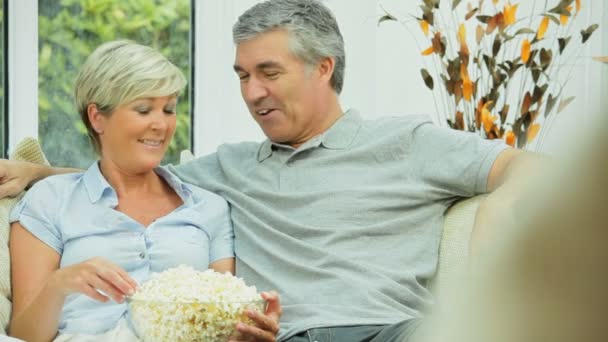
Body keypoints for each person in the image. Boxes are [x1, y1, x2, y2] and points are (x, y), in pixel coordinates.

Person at [0, 1, 543, 341]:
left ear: (323, 68)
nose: (252, 92)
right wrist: (35, 174)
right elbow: (129, 173)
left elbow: (535, 170)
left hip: (393, 330)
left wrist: (500, 208)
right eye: (242, 75)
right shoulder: (228, 170)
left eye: (268, 73)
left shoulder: (408, 143)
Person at [6, 40, 279, 342]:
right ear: (97, 117)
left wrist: (247, 331)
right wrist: (60, 284)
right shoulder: (49, 200)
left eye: (169, 109)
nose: (161, 125)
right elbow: (23, 334)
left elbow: (225, 320)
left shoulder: (209, 208)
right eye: (144, 109)